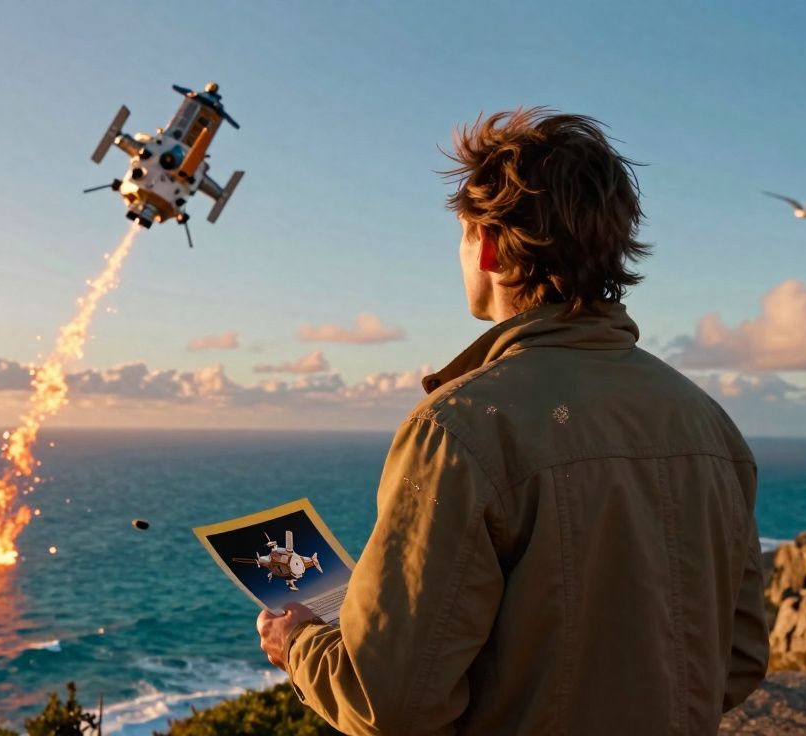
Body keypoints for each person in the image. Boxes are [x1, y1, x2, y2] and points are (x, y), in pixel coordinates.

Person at [256, 108, 768, 735]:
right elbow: (740, 660)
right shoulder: (710, 425)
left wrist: (300, 643)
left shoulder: (457, 428)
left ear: (491, 246)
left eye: (463, 236)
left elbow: (387, 701)